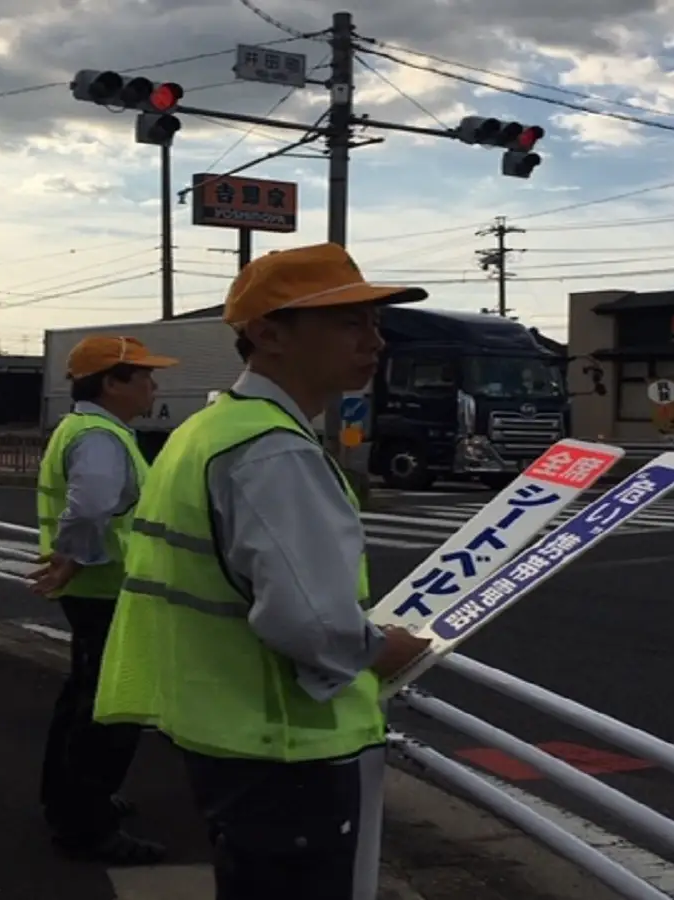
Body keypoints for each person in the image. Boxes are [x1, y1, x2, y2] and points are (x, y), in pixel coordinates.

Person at [92, 243, 435, 899]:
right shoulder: (274, 452)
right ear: (268, 334)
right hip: (286, 747)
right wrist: (379, 648)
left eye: (374, 322)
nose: (375, 340)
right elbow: (306, 619)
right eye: (349, 323)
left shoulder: (209, 429)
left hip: (222, 734)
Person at [31, 335, 179, 865]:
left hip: (96, 588)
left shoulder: (87, 428)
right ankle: (86, 825)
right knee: (110, 710)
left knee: (84, 698)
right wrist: (73, 556)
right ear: (113, 382)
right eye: (143, 375)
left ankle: (69, 799)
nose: (153, 385)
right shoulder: (100, 437)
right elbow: (91, 506)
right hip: (108, 587)